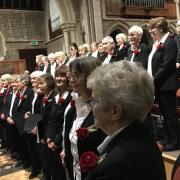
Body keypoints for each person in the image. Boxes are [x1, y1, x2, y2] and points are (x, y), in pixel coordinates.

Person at [85, 61, 166, 180]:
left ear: (115, 111)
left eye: (94, 101)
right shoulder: (138, 135)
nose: (91, 108)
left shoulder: (117, 165)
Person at [62, 56, 106, 180]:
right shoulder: (72, 108)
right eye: (70, 75)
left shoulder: (103, 109)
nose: (71, 79)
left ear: (91, 76)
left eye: (77, 75)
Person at [148, 17, 179, 151]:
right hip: (160, 84)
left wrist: (152, 79)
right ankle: (168, 138)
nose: (150, 32)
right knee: (164, 114)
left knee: (170, 114)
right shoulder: (158, 43)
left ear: (161, 29)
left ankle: (176, 141)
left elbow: (166, 65)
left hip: (167, 84)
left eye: (152, 29)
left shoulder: (170, 42)